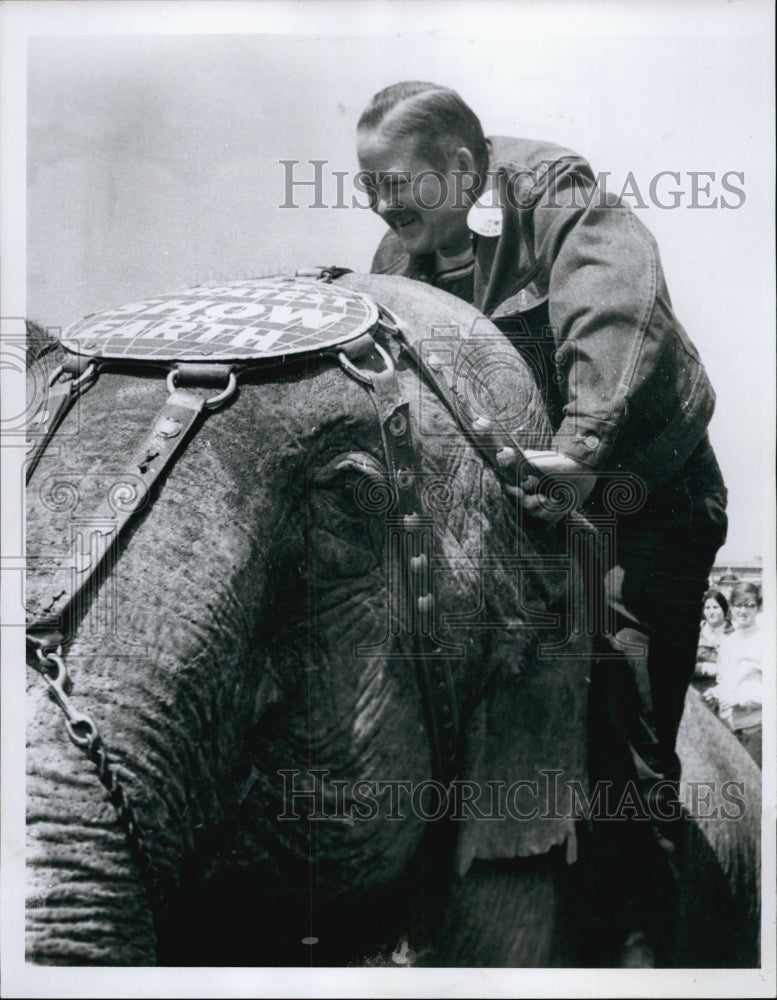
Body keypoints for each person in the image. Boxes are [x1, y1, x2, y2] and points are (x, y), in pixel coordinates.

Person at [355, 81, 728, 965]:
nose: (379, 205)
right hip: (527, 517)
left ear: (459, 167)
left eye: (395, 186)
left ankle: (641, 951)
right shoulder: (398, 256)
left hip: (641, 505)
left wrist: (582, 449)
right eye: (367, 187)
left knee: (623, 725)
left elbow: (611, 310)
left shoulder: (555, 193)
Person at [703, 583, 762, 767]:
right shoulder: (727, 642)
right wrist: (716, 692)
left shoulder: (767, 641)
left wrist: (740, 700)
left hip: (755, 728)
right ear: (732, 608)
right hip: (728, 728)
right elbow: (724, 681)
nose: (743, 611)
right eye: (738, 605)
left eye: (749, 605)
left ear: (758, 607)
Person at [693, 589, 734, 694]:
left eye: (715, 607)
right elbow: (683, 664)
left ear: (724, 608)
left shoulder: (735, 633)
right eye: (707, 608)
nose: (711, 612)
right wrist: (704, 668)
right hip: (696, 690)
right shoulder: (695, 631)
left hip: (725, 690)